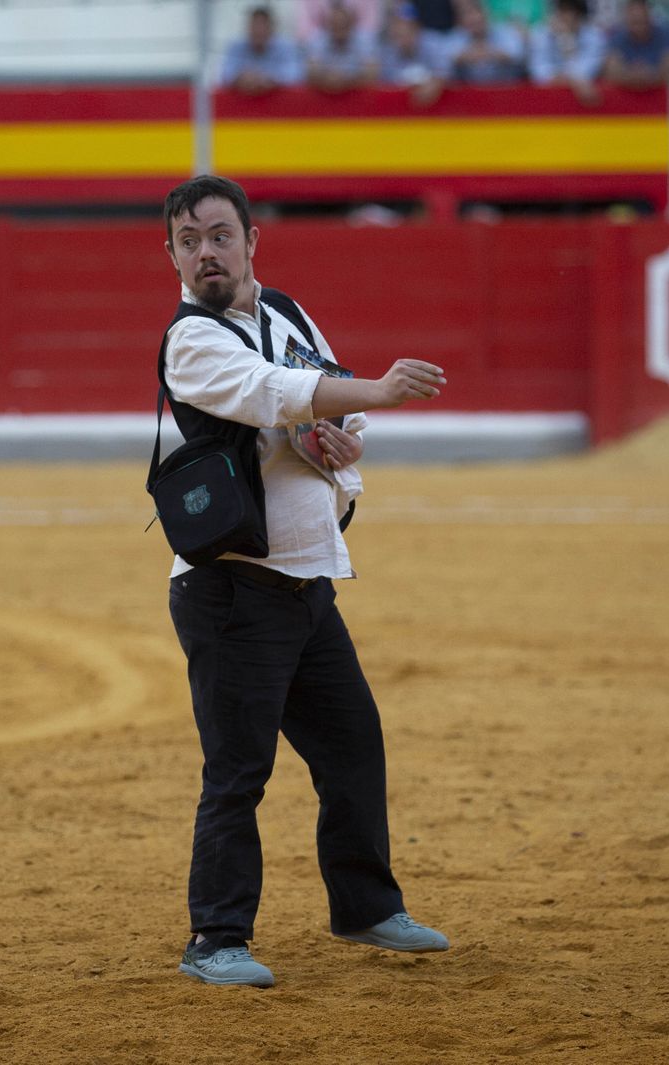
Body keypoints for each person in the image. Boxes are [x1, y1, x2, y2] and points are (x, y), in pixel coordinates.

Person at [157, 174, 451, 988]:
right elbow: (275, 393)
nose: (205, 253)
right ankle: (214, 938)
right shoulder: (190, 338)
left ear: (253, 241)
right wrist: (375, 396)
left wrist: (346, 437)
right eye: (188, 242)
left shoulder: (285, 310)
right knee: (239, 769)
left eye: (219, 235)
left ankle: (363, 907)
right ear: (173, 256)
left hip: (305, 581)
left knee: (353, 746)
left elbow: (327, 394)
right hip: (230, 589)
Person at [528, 0, 606, 102]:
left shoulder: (595, 37)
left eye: (569, 11)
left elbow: (587, 72)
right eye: (561, 11)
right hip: (547, 99)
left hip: (581, 105)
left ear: (580, 15)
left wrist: (567, 41)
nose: (563, 17)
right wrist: (567, 80)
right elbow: (538, 71)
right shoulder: (541, 33)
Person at [219, 6, 305, 93]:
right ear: (248, 27)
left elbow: (296, 74)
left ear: (272, 28)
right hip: (244, 103)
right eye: (255, 25)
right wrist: (241, 78)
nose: (259, 30)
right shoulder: (236, 46)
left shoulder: (285, 46)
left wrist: (270, 79)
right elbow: (225, 74)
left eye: (263, 25)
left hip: (277, 103)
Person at [379, 3, 448, 105]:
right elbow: (385, 83)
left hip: (436, 110)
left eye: (407, 30)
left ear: (417, 29)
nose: (402, 37)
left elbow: (446, 71)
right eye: (398, 33)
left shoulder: (432, 44)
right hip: (399, 111)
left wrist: (436, 82)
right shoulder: (388, 51)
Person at [446, 0, 527, 82]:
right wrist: (468, 56)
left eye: (478, 21)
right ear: (462, 22)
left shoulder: (504, 31)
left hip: (504, 87)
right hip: (467, 90)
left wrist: (490, 53)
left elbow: (517, 54)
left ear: (486, 17)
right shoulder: (456, 36)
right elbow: (447, 59)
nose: (475, 25)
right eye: (471, 22)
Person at [306, 1, 380, 91]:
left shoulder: (365, 41)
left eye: (343, 24)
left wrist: (346, 80)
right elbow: (311, 72)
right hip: (326, 97)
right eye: (335, 24)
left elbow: (371, 73)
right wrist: (328, 80)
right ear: (327, 25)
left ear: (351, 24)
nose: (339, 27)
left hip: (357, 97)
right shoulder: (317, 40)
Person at [603, 0, 669, 87]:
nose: (639, 27)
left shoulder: (664, 33)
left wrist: (647, 75)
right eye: (635, 22)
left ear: (649, 17)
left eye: (642, 21)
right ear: (627, 19)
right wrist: (636, 76)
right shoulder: (616, 35)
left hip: (656, 94)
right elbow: (611, 72)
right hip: (626, 95)